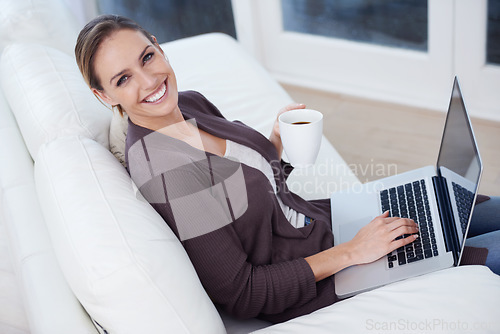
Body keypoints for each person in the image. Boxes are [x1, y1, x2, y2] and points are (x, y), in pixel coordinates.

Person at [75, 15, 499, 323]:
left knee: (473, 204)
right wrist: (354, 252)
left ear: (157, 44)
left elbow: (253, 196)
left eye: (147, 57)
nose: (149, 82)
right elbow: (242, 291)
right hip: (322, 275)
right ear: (102, 95)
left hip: (329, 224)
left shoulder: (188, 103)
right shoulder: (169, 172)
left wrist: (275, 147)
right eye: (123, 79)